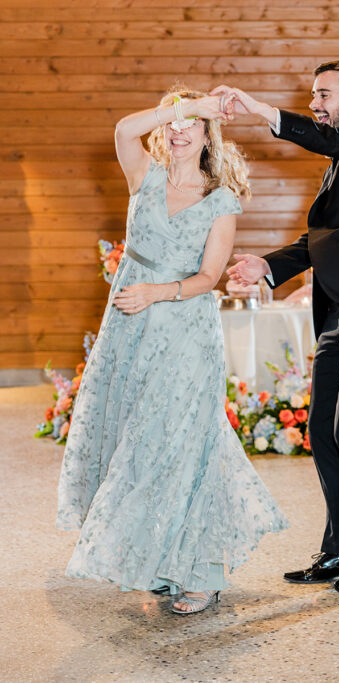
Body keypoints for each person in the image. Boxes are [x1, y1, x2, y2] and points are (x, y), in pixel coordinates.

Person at [56, 87, 289, 616]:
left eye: (192, 124)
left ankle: (202, 572)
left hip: (184, 330)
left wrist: (156, 293)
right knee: (135, 441)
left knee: (183, 442)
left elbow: (209, 277)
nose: (180, 132)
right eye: (174, 123)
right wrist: (185, 106)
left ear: (209, 134)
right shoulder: (145, 175)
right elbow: (122, 130)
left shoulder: (221, 198)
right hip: (129, 331)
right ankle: (163, 562)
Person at [214, 59, 339, 594]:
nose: (315, 102)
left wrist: (261, 111)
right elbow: (319, 241)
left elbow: (335, 143)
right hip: (335, 315)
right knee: (323, 434)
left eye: (324, 93)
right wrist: (267, 266)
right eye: (313, 94)